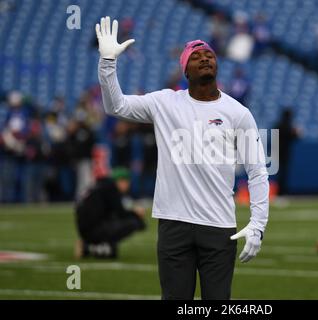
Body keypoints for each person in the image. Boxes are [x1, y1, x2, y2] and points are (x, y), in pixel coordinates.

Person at [96, 16, 269, 300]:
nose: (204, 59)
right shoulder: (165, 102)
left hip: (219, 226)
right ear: (184, 70)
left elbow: (258, 171)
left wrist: (258, 225)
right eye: (196, 56)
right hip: (173, 224)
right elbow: (116, 106)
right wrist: (107, 64)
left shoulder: (238, 112)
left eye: (209, 55)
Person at [74, 167, 146, 259]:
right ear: (121, 181)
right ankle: (89, 247)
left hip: (85, 228)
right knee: (133, 223)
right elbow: (121, 213)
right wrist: (136, 214)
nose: (128, 185)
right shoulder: (111, 188)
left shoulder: (100, 186)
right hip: (93, 229)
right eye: (127, 182)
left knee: (112, 250)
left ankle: (91, 246)